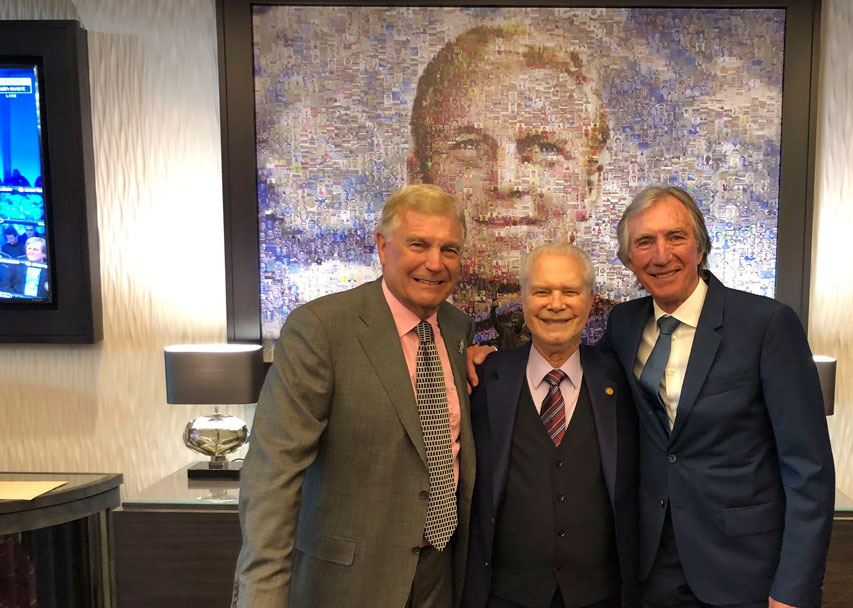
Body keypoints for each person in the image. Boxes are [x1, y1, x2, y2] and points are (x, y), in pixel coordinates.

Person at [234, 184, 477, 608]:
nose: (435, 263)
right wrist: (262, 596)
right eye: (418, 244)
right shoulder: (323, 329)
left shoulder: (458, 330)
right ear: (383, 247)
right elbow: (273, 475)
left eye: (450, 249)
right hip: (347, 582)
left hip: (441, 574)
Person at [603, 185, 834, 608]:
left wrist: (794, 589)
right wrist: (482, 357)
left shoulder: (767, 325)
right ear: (628, 261)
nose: (661, 255)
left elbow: (809, 469)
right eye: (644, 242)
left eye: (675, 237)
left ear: (700, 247)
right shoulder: (622, 325)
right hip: (653, 567)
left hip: (746, 571)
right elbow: (578, 378)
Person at [464, 243, 638, 608]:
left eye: (570, 292)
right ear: (523, 299)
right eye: (542, 291)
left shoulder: (624, 380)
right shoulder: (481, 378)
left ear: (590, 302)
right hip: (504, 596)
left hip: (603, 596)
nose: (555, 304)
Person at [409, 25, 609, 325]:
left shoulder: (634, 346)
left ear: (590, 186)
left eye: (542, 148)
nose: (505, 181)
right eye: (469, 147)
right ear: (419, 180)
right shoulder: (351, 338)